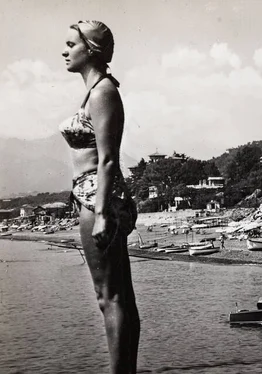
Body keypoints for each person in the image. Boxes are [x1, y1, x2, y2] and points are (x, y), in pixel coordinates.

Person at [60, 20, 139, 373]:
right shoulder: (95, 90)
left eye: (70, 44)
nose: (65, 51)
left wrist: (104, 212)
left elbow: (108, 158)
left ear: (89, 50)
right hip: (95, 196)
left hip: (99, 197)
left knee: (110, 297)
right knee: (117, 296)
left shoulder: (104, 91)